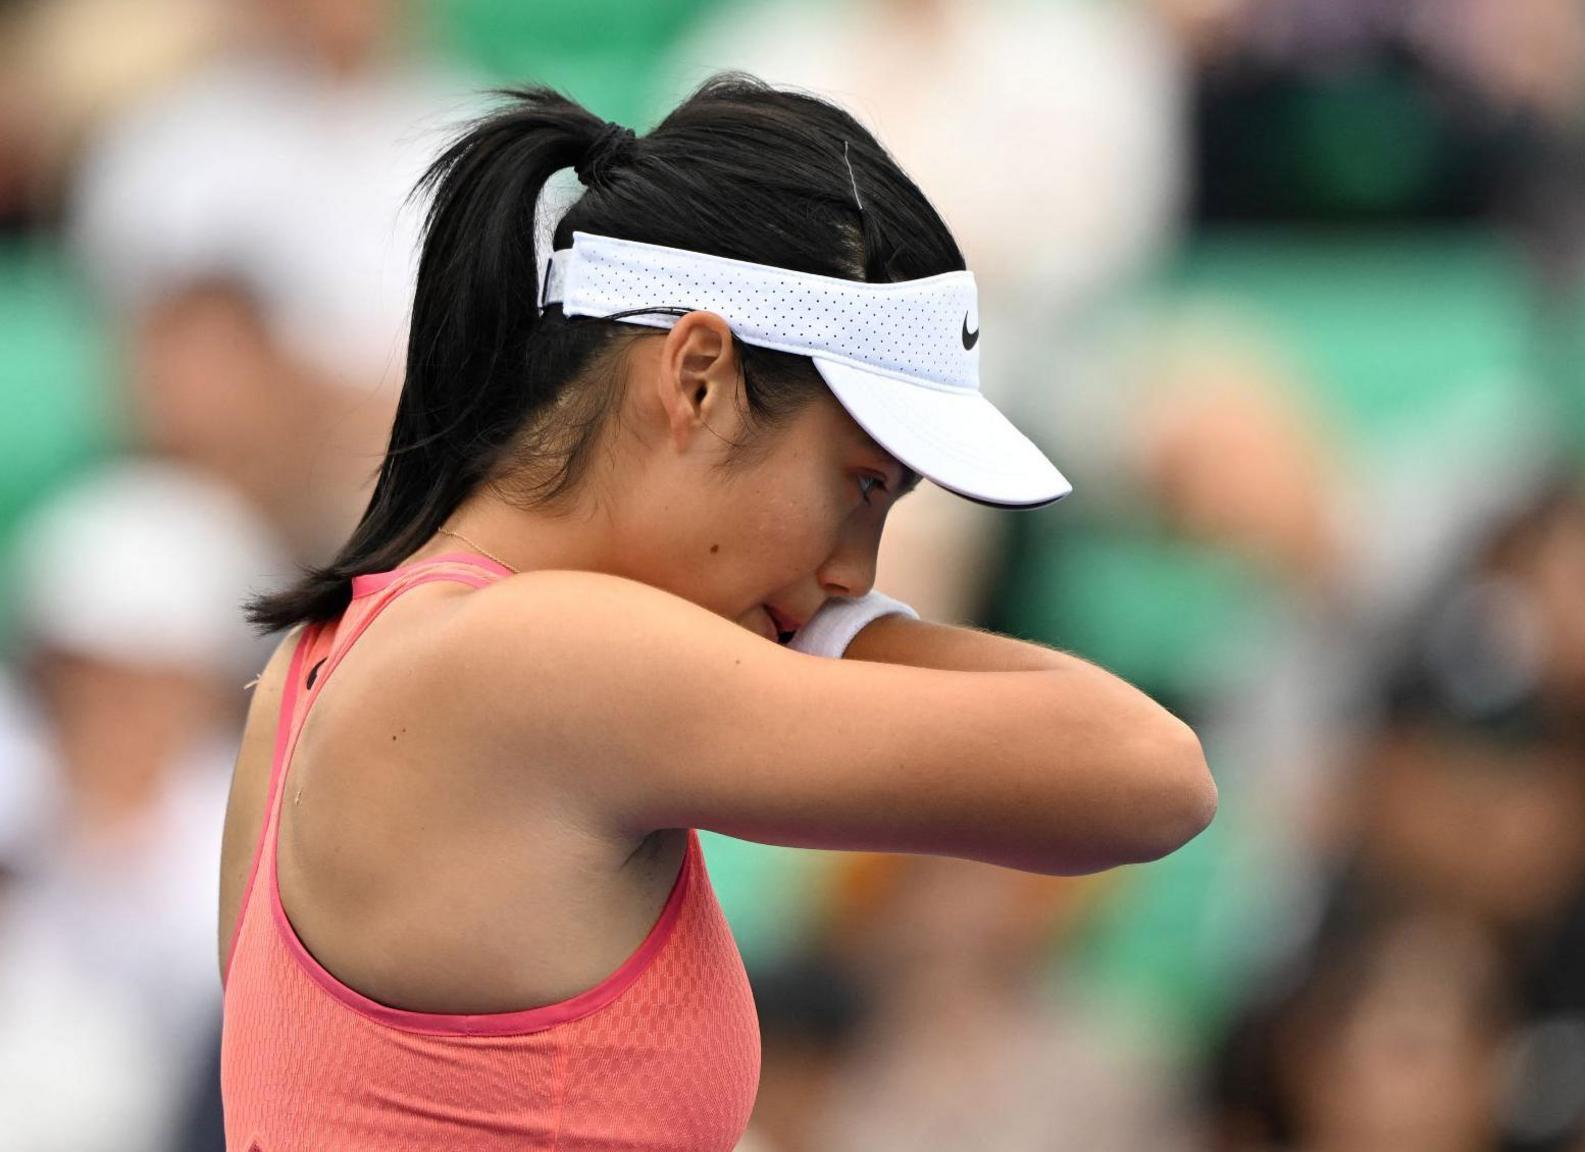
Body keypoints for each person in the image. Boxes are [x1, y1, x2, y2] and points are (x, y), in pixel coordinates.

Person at [216, 74, 1215, 1150]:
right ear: (696, 376)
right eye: (861, 485)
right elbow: (1151, 776)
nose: (853, 567)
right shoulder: (542, 655)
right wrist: (845, 633)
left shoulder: (308, 671)